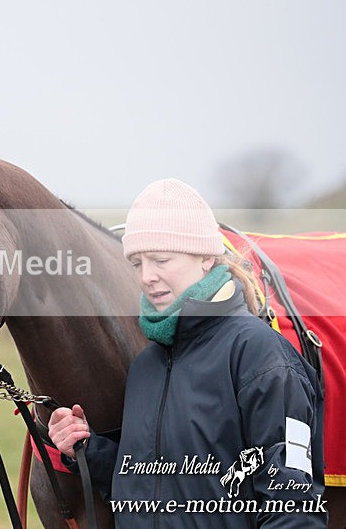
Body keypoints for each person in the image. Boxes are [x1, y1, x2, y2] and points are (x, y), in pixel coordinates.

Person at [48, 179, 326, 527]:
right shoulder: (147, 365)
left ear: (207, 257)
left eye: (161, 259)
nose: (147, 276)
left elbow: (293, 508)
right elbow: (154, 483)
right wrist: (87, 449)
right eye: (137, 263)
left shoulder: (260, 355)